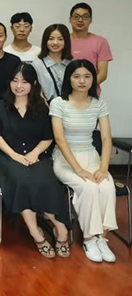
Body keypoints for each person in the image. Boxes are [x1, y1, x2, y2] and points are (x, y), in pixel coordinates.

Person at [0, 64, 70, 259]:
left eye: (24, 81)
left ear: (33, 83)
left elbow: (48, 136)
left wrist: (35, 153)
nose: (19, 86)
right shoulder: (1, 107)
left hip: (37, 156)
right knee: (22, 181)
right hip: (9, 158)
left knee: (48, 182)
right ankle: (36, 233)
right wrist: (13, 155)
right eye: (15, 81)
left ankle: (61, 229)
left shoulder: (41, 108)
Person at [50, 59, 117, 263]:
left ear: (93, 79)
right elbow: (59, 139)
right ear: (69, 79)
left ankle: (102, 238)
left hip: (91, 157)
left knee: (106, 186)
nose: (82, 81)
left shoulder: (99, 104)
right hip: (65, 159)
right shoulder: (58, 103)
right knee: (88, 188)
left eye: (87, 76)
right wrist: (78, 169)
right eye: (77, 76)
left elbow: (106, 138)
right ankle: (89, 238)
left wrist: (103, 168)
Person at [69, 3, 113, 90]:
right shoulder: (62, 41)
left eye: (85, 17)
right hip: (64, 93)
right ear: (70, 19)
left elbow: (102, 74)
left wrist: (84, 89)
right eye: (76, 16)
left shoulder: (100, 42)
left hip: (90, 93)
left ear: (90, 20)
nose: (80, 20)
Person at [31, 24, 73, 102]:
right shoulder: (37, 65)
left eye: (60, 39)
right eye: (51, 39)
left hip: (70, 107)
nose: (55, 42)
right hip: (46, 106)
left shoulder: (73, 64)